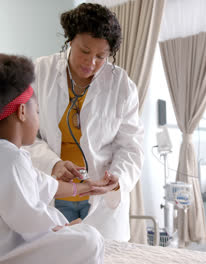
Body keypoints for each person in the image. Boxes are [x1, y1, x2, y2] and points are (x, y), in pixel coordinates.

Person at [0, 54, 110, 264]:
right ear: (22, 111)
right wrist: (63, 227)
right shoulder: (10, 160)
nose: (39, 119)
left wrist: (87, 188)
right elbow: (30, 220)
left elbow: (43, 184)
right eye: (38, 111)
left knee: (76, 233)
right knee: (90, 239)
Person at [26, 3, 144, 242]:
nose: (91, 62)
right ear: (70, 40)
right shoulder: (40, 72)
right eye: (85, 51)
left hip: (101, 201)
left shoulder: (121, 85)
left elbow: (130, 145)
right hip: (54, 195)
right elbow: (26, 137)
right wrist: (53, 164)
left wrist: (117, 178)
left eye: (101, 56)